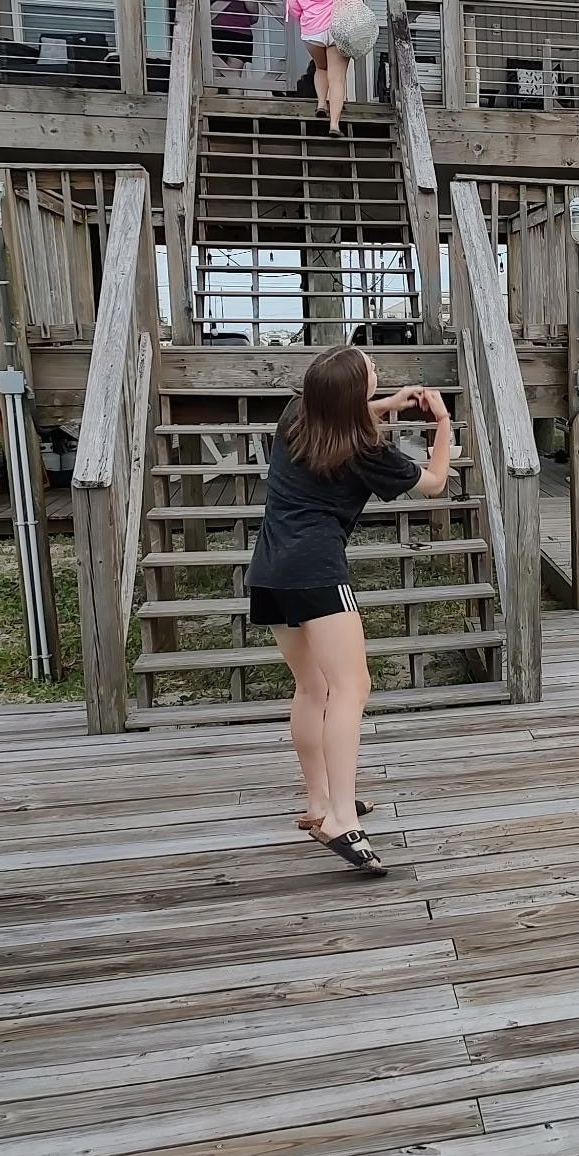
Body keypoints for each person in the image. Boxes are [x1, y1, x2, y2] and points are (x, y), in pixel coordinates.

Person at [247, 345, 455, 874]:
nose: (378, 377)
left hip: (269, 567)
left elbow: (342, 412)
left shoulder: (296, 416)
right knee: (350, 689)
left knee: (311, 688)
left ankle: (319, 802)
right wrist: (442, 427)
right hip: (317, 571)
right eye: (372, 375)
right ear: (352, 396)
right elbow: (432, 484)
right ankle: (342, 817)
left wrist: (385, 403)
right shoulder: (365, 452)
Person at [282, 0, 359, 137]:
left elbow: (292, 5)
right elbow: (355, 0)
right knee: (337, 79)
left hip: (312, 32)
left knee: (320, 68)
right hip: (337, 29)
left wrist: (303, 15)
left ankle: (321, 104)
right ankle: (334, 124)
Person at [204, 0, 256, 82]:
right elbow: (254, 16)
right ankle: (237, 102)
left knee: (214, 76)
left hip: (219, 32)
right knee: (235, 77)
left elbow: (202, 3)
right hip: (242, 36)